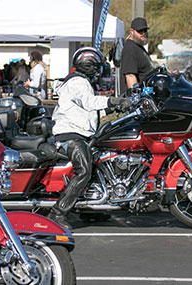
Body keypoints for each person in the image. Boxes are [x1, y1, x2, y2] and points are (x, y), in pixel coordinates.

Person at [47, 47, 131, 230]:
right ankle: (57, 214)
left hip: (79, 132)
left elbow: (87, 109)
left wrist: (117, 107)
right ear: (89, 65)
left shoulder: (80, 81)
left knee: (97, 164)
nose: (99, 71)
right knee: (84, 170)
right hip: (70, 135)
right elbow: (88, 102)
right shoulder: (78, 82)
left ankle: (92, 210)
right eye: (97, 67)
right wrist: (113, 101)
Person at [120, 17, 154, 94]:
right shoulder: (130, 49)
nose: (143, 33)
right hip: (137, 100)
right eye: (140, 31)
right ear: (132, 32)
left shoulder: (139, 47)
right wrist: (136, 98)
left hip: (146, 95)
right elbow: (130, 76)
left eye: (145, 30)